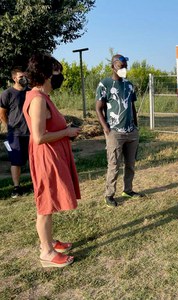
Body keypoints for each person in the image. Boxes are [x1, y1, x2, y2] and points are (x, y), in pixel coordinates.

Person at [23, 53, 81, 268]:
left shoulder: (41, 96)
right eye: (56, 70)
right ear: (46, 74)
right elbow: (39, 137)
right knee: (45, 205)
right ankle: (46, 252)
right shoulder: (37, 99)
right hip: (46, 157)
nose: (59, 75)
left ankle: (49, 241)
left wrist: (64, 129)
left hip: (52, 155)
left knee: (50, 200)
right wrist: (67, 132)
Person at [95, 54, 142, 208]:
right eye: (121, 66)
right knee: (114, 165)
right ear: (113, 66)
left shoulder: (129, 84)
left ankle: (128, 190)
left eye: (126, 66)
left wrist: (135, 125)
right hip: (115, 132)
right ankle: (109, 195)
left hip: (131, 132)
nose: (124, 69)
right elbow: (98, 108)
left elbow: (132, 106)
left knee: (130, 164)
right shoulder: (105, 84)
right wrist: (106, 128)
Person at [0, 67, 30, 198]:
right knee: (15, 161)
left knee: (33, 159)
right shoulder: (7, 94)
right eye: (20, 76)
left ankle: (38, 183)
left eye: (25, 76)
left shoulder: (30, 92)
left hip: (31, 132)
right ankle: (16, 187)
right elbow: (2, 114)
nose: (24, 78)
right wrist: (11, 127)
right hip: (15, 134)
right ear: (14, 78)